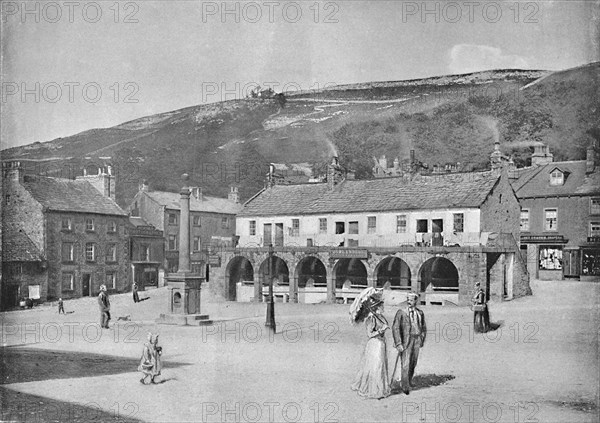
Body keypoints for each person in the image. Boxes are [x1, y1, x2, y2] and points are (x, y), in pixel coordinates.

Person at [351, 299, 391, 399]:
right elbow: (369, 334)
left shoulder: (381, 317)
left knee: (380, 366)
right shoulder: (371, 318)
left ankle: (380, 389)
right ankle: (372, 390)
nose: (383, 308)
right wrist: (382, 329)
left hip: (381, 343)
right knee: (375, 366)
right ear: (376, 307)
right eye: (381, 306)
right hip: (374, 344)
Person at [391, 292, 426, 395]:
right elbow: (395, 327)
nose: (409, 302)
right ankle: (405, 386)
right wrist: (398, 343)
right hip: (406, 341)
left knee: (413, 363)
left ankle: (409, 381)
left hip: (416, 339)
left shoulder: (420, 313)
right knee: (405, 363)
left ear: (416, 301)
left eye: (411, 300)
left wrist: (422, 339)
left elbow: (423, 327)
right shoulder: (401, 312)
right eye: (408, 300)